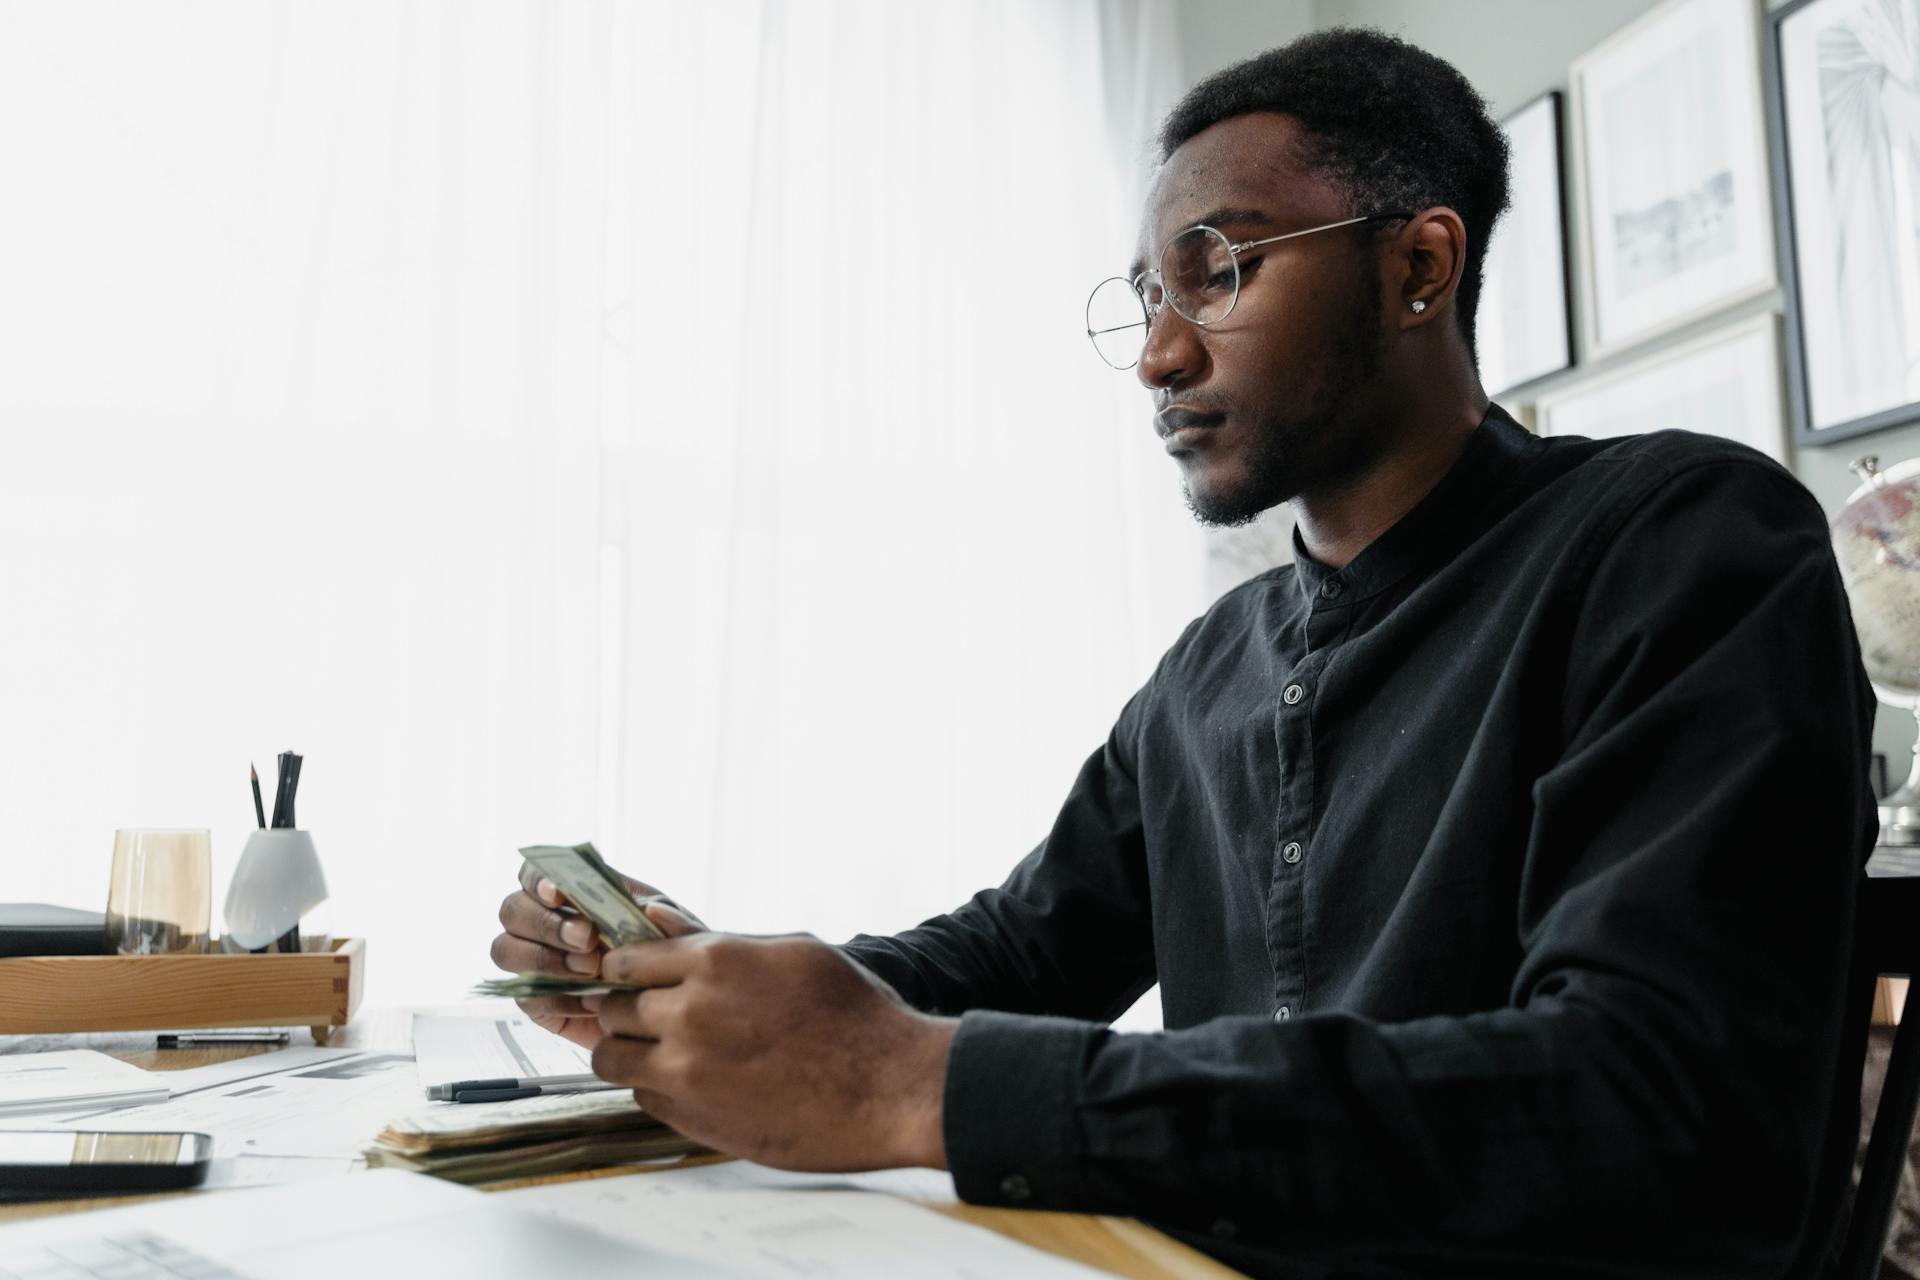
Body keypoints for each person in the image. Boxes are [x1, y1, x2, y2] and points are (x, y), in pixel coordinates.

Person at [491, 28, 1878, 1279]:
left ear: (1419, 265)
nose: (1158, 354)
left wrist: (920, 1087)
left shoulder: (1682, 541)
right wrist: (709, 983)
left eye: (1217, 273)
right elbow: (1022, 951)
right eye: (1147, 294)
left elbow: (1647, 1108)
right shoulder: (1211, 665)